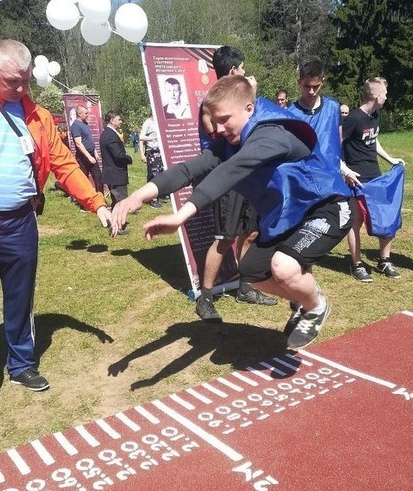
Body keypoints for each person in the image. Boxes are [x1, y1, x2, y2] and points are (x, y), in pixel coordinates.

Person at [111, 75, 352, 350]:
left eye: (225, 119)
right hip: (288, 217)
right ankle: (304, 296)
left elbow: (230, 171)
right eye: (215, 121)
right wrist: (136, 197)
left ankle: (315, 305)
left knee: (283, 268)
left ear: (249, 109)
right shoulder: (231, 142)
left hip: (327, 207)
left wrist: (180, 216)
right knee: (251, 272)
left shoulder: (272, 132)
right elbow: (190, 169)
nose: (219, 128)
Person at [0, 39, 111, 416]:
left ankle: (21, 365)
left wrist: (96, 203)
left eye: (26, 80)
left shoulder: (38, 116)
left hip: (19, 224)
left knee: (20, 302)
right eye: (13, 81)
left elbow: (65, 164)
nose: (21, 89)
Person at [195, 45, 277, 321]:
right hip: (227, 178)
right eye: (241, 68)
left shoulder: (241, 99)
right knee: (224, 238)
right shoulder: (210, 103)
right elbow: (218, 136)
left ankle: (246, 287)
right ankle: (204, 298)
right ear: (233, 70)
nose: (245, 72)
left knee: (251, 233)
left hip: (249, 174)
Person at [342, 77, 405, 283]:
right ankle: (357, 264)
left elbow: (373, 140)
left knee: (385, 217)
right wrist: (346, 171)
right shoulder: (353, 118)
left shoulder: (375, 115)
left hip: (375, 177)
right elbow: (333, 145)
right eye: (385, 94)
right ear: (377, 96)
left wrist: (390, 159)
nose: (387, 97)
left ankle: (384, 260)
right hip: (356, 180)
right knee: (356, 222)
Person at [99, 110, 133, 207]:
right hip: (116, 174)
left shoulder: (107, 133)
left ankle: (114, 220)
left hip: (113, 174)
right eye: (119, 119)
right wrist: (129, 158)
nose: (121, 122)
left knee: (116, 202)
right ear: (112, 120)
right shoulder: (110, 135)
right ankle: (118, 221)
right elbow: (118, 155)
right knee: (121, 202)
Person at [70, 104, 103, 193]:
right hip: (83, 157)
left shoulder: (85, 124)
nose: (87, 114)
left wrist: (95, 152)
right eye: (85, 113)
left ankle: (101, 199)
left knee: (98, 177)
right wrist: (89, 157)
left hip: (91, 154)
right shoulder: (75, 125)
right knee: (84, 180)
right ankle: (84, 203)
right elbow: (78, 143)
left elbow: (89, 139)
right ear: (79, 114)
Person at [139, 114, 164, 208]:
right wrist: (142, 154)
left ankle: (157, 194)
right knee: (154, 174)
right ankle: (153, 199)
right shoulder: (148, 123)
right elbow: (141, 138)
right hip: (152, 152)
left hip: (160, 151)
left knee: (160, 173)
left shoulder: (159, 121)